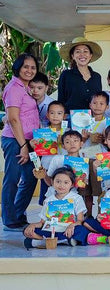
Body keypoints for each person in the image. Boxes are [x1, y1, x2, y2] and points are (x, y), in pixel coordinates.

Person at [2, 53, 40, 231]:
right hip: (16, 140)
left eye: (33, 67)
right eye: (26, 66)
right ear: (18, 67)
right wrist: (23, 146)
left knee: (31, 177)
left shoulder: (25, 88)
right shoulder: (14, 88)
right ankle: (10, 220)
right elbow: (13, 119)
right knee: (12, 179)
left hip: (29, 141)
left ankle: (17, 214)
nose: (29, 70)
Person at [23, 167, 88, 249]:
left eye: (66, 182)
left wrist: (72, 226)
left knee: (82, 230)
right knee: (27, 231)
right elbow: (42, 223)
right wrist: (32, 225)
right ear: (52, 182)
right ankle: (62, 241)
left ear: (71, 184)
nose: (61, 185)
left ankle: (45, 241)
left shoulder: (77, 198)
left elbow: (80, 220)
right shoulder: (48, 200)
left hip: (68, 230)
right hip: (51, 230)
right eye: (58, 182)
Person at [57, 37, 103, 112]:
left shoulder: (97, 77)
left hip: (91, 119)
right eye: (78, 52)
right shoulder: (66, 75)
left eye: (85, 51)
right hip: (71, 118)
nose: (82, 55)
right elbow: (61, 99)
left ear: (90, 55)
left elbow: (99, 99)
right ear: (73, 56)